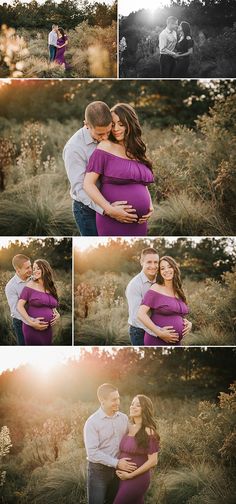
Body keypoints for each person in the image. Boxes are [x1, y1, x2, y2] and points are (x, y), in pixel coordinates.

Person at [63, 101, 137, 236]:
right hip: (87, 210)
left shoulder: (112, 137)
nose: (104, 138)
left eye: (108, 132)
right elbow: (79, 189)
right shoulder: (74, 149)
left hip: (112, 206)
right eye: (99, 134)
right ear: (86, 125)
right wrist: (108, 209)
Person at [83, 103, 154, 236]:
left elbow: (141, 184)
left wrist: (150, 205)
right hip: (113, 219)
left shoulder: (137, 151)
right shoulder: (105, 147)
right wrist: (109, 209)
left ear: (130, 124)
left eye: (121, 124)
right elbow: (88, 184)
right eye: (113, 124)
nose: (116, 129)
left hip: (139, 223)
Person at [126, 249, 192, 346]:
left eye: (156, 262)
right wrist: (159, 332)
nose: (153, 266)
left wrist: (186, 323)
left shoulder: (162, 279)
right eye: (149, 262)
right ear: (141, 262)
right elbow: (137, 316)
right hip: (139, 331)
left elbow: (168, 307)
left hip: (162, 332)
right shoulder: (134, 285)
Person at [84, 383, 135, 504]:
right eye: (114, 400)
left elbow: (134, 438)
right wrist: (117, 463)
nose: (118, 402)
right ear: (102, 401)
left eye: (118, 398)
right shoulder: (92, 422)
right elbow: (92, 453)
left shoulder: (123, 418)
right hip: (98, 472)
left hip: (119, 472)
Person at [114, 395, 160, 504]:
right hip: (122, 478)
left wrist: (130, 475)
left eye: (138, 405)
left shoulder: (149, 431)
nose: (133, 407)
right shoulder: (129, 427)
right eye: (132, 404)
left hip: (137, 479)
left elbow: (153, 461)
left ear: (145, 409)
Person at [5, 254, 50, 345]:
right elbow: (15, 310)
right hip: (21, 322)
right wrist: (32, 322)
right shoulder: (11, 286)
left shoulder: (34, 278)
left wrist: (55, 312)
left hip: (38, 319)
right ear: (18, 270)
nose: (31, 270)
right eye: (27, 268)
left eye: (30, 266)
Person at [17, 259, 59, 345]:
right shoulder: (30, 285)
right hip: (32, 328)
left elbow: (52, 305)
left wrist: (57, 314)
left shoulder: (51, 287)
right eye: (34, 268)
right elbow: (19, 306)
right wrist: (31, 322)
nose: (35, 271)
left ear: (45, 269)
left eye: (38, 268)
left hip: (48, 330)